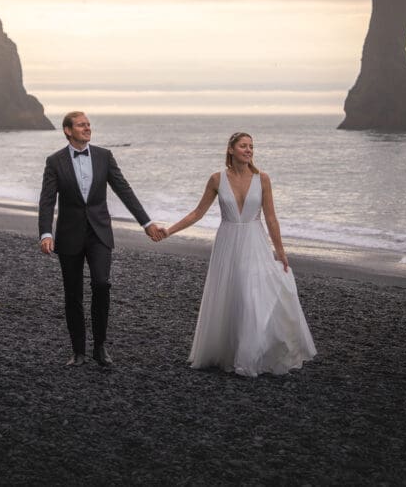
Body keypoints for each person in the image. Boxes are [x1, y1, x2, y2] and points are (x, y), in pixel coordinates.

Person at [160, 132, 316, 377]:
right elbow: (197, 213)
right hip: (228, 241)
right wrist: (169, 231)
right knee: (230, 294)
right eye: (243, 146)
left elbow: (271, 217)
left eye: (251, 146)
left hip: (255, 241)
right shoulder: (216, 179)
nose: (249, 150)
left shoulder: (262, 178)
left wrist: (281, 251)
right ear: (231, 149)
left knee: (251, 294)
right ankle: (229, 353)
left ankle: (251, 356)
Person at [38, 111, 164, 367]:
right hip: (69, 234)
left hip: (99, 233)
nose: (87, 128)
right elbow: (47, 200)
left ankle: (100, 346)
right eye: (81, 125)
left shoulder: (104, 156)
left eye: (88, 124)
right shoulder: (55, 161)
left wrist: (146, 222)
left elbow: (124, 189)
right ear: (67, 130)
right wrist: (45, 233)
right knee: (72, 294)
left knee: (102, 284)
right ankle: (78, 351)